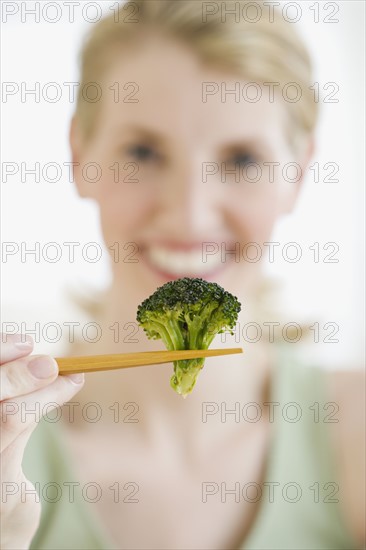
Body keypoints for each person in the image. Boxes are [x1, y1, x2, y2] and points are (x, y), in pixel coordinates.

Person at [1, 1, 364, 549]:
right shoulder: (12, 454)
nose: (190, 215)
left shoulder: (352, 432)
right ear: (80, 155)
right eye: (143, 151)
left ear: (299, 173)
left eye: (242, 159)